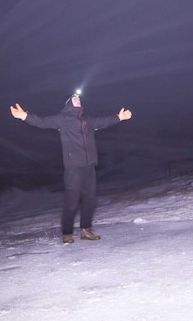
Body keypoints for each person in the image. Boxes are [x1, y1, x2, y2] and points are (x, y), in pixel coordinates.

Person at [10, 91, 132, 243]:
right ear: (68, 103)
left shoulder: (88, 120)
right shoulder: (62, 119)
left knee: (90, 200)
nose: (78, 100)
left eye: (79, 98)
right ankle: (67, 233)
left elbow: (104, 121)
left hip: (89, 165)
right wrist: (24, 116)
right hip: (73, 167)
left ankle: (85, 230)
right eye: (74, 98)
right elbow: (42, 121)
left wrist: (120, 117)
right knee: (72, 201)